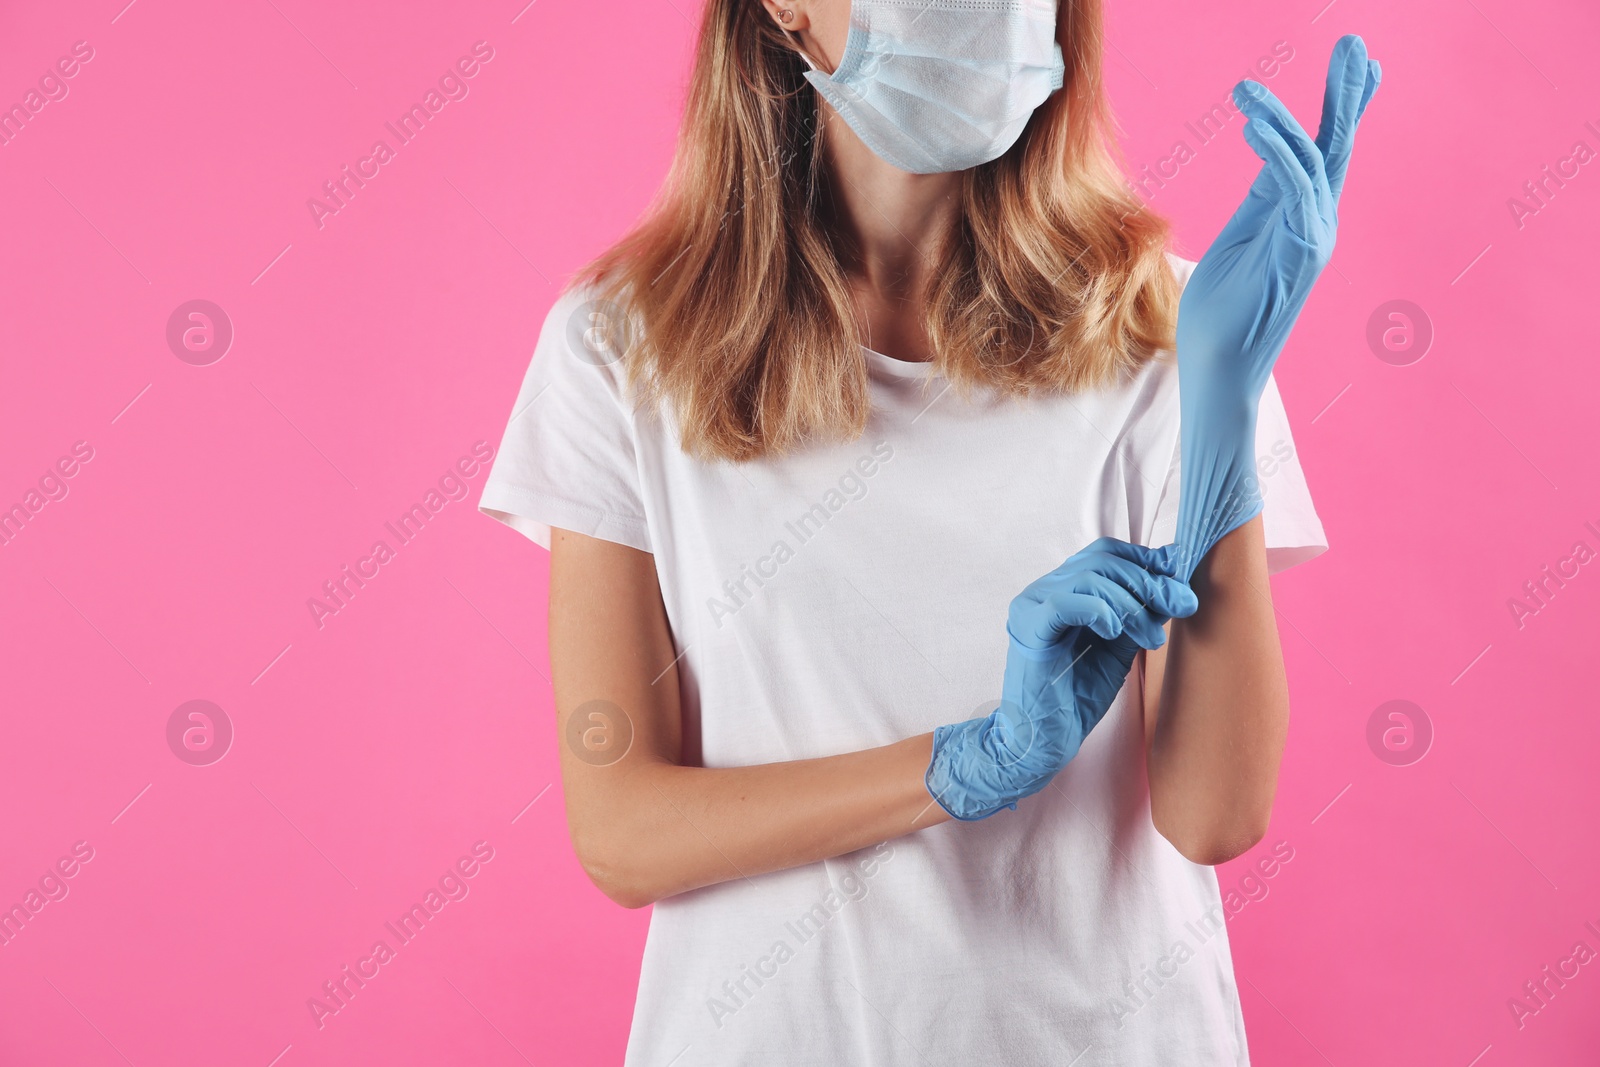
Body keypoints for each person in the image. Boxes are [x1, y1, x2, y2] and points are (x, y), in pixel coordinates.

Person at [478, 1, 1379, 1062]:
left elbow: (1214, 813)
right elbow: (623, 832)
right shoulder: (623, 347)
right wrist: (966, 765)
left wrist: (1220, 392)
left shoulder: (1169, 330)